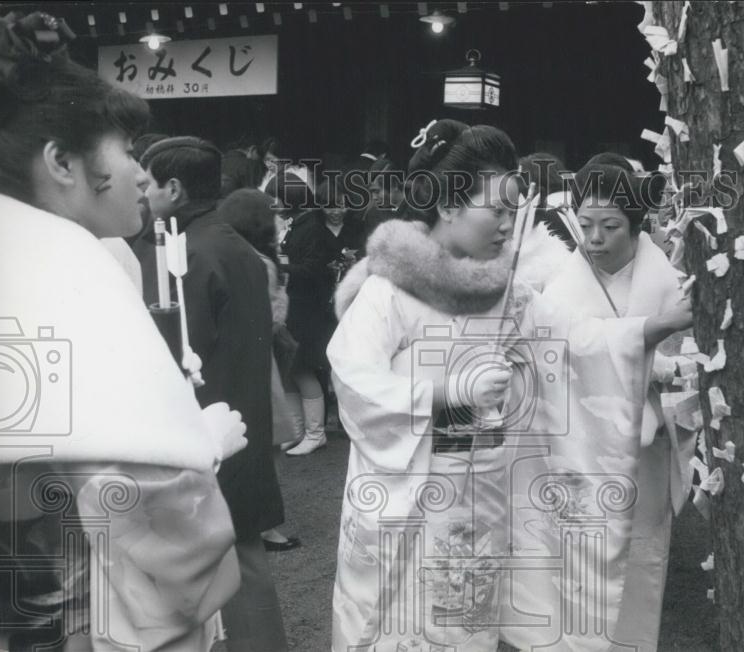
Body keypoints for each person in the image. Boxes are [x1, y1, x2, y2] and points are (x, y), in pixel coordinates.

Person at [327, 119, 691, 652]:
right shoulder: (389, 290)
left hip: (484, 492)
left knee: (470, 621)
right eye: (496, 210)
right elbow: (353, 378)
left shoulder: (507, 294)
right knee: (404, 622)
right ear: (450, 205)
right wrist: (444, 394)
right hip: (412, 496)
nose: (506, 225)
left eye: (513, 212)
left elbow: (573, 340)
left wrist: (653, 328)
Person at [0, 11, 245, 651]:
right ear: (62, 161)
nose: (140, 172)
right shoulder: (74, 282)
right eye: (127, 150)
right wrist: (199, 446)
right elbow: (163, 523)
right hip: (79, 609)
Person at [524, 158, 697, 651]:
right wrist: (638, 346)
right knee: (581, 559)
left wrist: (664, 373)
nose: (594, 238)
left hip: (646, 448)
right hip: (584, 448)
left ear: (637, 225)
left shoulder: (667, 281)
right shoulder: (565, 285)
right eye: (587, 225)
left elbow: (690, 363)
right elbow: (552, 358)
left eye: (610, 226)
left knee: (641, 558)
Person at [141, 137, 288, 651]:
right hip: (245, 416)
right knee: (243, 561)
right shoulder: (233, 245)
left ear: (174, 188)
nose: (143, 193)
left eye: (149, 183)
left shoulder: (189, 255)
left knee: (232, 569)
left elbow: (186, 354)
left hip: (214, 427)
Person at [218, 188, 304, 553]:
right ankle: (266, 526)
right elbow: (271, 317)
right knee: (269, 441)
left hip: (239, 357)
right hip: (260, 358)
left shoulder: (230, 254)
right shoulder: (261, 262)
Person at [267, 172, 333, 456]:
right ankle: (296, 431)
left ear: (289, 196)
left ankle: (315, 432)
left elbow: (313, 269)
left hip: (307, 310)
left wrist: (280, 269)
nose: (273, 202)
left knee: (303, 369)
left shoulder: (311, 227)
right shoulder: (301, 223)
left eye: (276, 196)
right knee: (291, 369)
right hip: (297, 307)